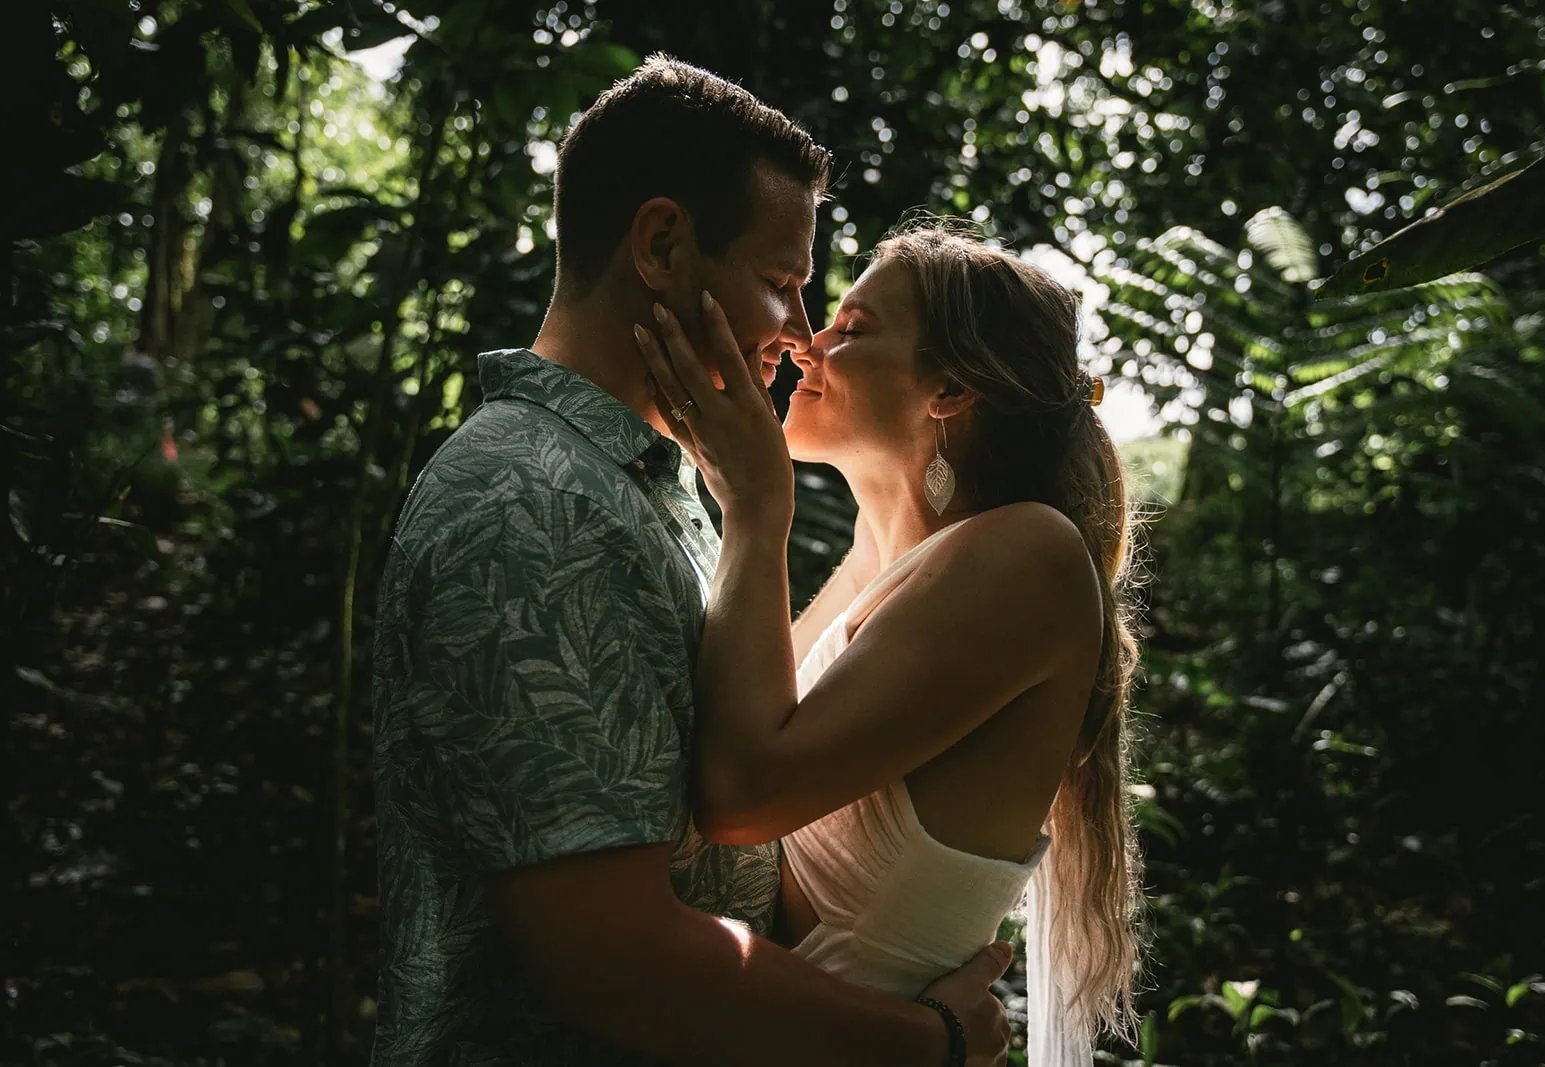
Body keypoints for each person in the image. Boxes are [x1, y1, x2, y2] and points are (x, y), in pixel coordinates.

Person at [369, 57, 1013, 1066]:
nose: (800, 336)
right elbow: (619, 962)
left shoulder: (646, 487)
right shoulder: (533, 505)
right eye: (779, 283)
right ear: (663, 244)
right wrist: (920, 1039)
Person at [633, 220, 1146, 1066]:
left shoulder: (1031, 555)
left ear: (948, 385)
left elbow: (737, 797)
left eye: (854, 329)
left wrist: (759, 506)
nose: (807, 342)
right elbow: (721, 718)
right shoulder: (883, 565)